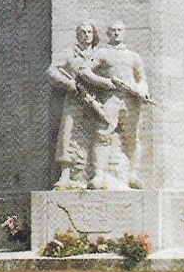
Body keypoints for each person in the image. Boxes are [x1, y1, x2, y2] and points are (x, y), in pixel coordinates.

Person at [78, 21, 150, 190]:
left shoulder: (133, 56)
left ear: (124, 33)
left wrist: (142, 91)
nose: (116, 33)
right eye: (113, 31)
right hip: (110, 99)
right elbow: (84, 70)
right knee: (103, 134)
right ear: (108, 33)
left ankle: (133, 174)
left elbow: (141, 79)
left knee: (132, 137)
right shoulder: (103, 53)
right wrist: (105, 83)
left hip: (130, 100)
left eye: (119, 30)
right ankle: (98, 175)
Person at [47, 21, 101, 188]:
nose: (86, 35)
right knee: (67, 133)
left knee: (98, 134)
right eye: (83, 32)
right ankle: (65, 174)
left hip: (96, 100)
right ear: (77, 35)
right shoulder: (69, 53)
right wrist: (67, 83)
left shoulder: (99, 54)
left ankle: (96, 173)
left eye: (89, 32)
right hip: (74, 98)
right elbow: (52, 71)